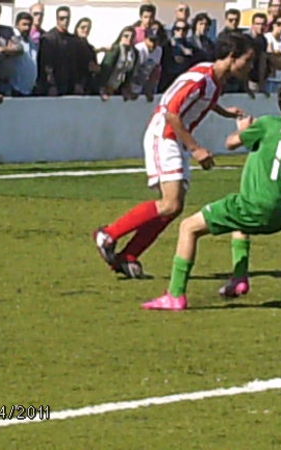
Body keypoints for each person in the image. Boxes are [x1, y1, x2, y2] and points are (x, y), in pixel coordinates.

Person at [141, 76, 281, 310]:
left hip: (254, 206)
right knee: (240, 224)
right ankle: (239, 280)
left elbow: (231, 143)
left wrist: (243, 129)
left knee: (188, 227)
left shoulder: (267, 124)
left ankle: (175, 295)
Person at [93, 33, 255, 278]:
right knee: (170, 204)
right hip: (165, 134)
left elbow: (199, 100)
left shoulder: (213, 78)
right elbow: (171, 112)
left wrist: (223, 111)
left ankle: (128, 256)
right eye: (248, 60)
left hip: (175, 138)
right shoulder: (202, 78)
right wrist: (196, 149)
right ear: (232, 56)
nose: (250, 66)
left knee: (174, 207)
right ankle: (108, 234)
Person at [37, 6, 78, 96]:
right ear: (57, 19)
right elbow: (46, 64)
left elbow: (74, 63)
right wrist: (51, 85)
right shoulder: (48, 38)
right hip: (54, 85)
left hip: (69, 85)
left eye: (67, 18)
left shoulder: (73, 39)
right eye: (62, 18)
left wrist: (76, 84)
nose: (65, 21)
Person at [99, 26, 138, 101]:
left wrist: (126, 87)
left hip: (118, 86)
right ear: (121, 37)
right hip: (107, 84)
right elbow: (106, 69)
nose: (129, 39)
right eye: (126, 36)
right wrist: (103, 87)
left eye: (132, 37)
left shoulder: (134, 53)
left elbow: (130, 73)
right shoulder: (115, 49)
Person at [11, 11, 38, 96]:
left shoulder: (32, 42)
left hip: (30, 89)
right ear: (17, 25)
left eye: (29, 25)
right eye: (24, 24)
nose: (27, 28)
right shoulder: (13, 40)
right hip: (16, 89)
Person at [132, 27, 163, 101]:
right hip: (134, 81)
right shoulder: (139, 49)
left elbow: (154, 70)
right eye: (151, 40)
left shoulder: (159, 50)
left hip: (146, 81)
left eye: (156, 41)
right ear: (145, 39)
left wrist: (150, 89)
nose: (153, 44)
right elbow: (133, 70)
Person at [264, 15, 281, 93]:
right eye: (279, 24)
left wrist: (277, 54)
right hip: (269, 78)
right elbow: (271, 58)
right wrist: (280, 57)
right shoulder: (267, 37)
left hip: (279, 78)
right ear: (273, 25)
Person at [74, 17, 99, 95]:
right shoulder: (71, 45)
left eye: (88, 28)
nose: (86, 30)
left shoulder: (91, 48)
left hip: (87, 84)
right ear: (77, 28)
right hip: (75, 83)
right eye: (83, 27)